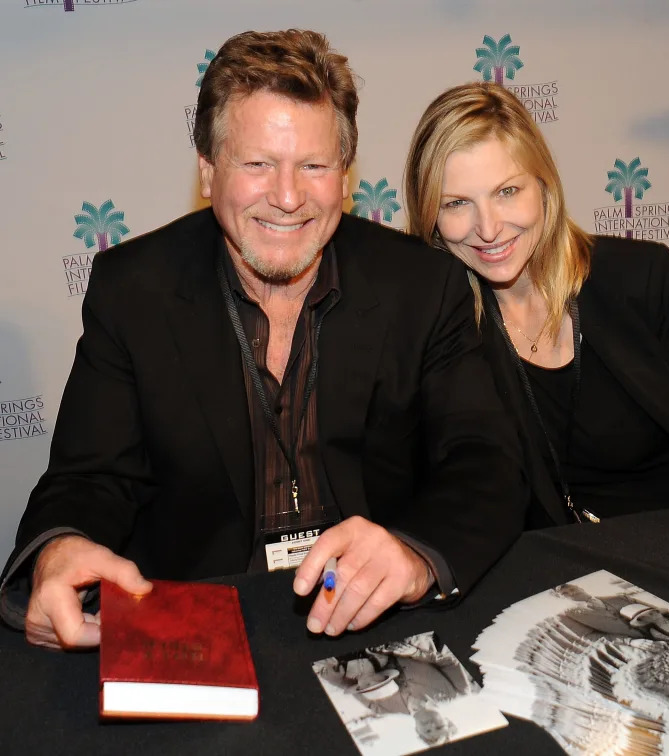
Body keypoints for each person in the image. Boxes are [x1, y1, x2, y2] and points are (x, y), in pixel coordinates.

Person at [0, 31, 526, 649]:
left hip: (376, 619)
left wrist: (412, 556)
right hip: (203, 624)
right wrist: (61, 548)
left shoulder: (422, 283)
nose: (287, 196)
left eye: (314, 165)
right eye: (257, 164)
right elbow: (89, 478)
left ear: (345, 175)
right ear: (207, 170)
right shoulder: (133, 291)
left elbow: (485, 460)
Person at [404, 82, 669, 527]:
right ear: (430, 217)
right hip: (558, 575)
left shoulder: (637, 279)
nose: (488, 228)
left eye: (507, 192)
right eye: (457, 203)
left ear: (544, 186)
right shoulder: (435, 327)